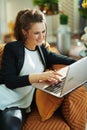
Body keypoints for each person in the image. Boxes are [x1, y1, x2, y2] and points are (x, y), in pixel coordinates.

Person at [0, 8, 77, 130]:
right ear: (24, 31)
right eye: (36, 33)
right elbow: (9, 81)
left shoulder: (42, 50)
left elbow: (69, 60)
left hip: (20, 105)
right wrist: (39, 77)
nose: (41, 37)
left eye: (43, 31)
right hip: (4, 97)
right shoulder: (12, 48)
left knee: (12, 126)